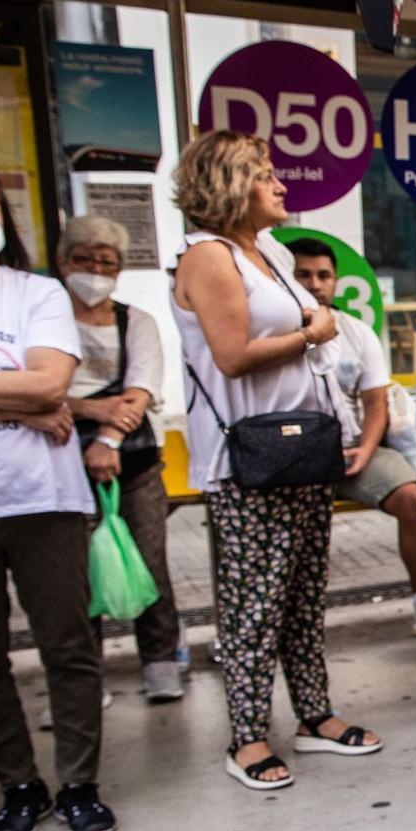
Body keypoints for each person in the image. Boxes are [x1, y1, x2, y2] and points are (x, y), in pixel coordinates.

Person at [172, 130, 382, 791]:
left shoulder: (262, 252)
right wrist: (310, 332)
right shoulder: (209, 256)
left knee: (299, 595)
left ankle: (313, 713)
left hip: (301, 445)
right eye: (264, 175)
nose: (280, 184)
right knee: (254, 603)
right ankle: (248, 734)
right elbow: (231, 354)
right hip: (250, 455)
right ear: (230, 184)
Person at [0, 156, 115, 831]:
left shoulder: (36, 294)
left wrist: (18, 398)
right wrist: (16, 401)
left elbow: (50, 388)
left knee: (67, 646)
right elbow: (33, 394)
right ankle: (19, 785)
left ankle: (79, 784)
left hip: (44, 498)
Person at [285, 236, 416, 637]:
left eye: (324, 275)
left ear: (336, 281)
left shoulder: (357, 332)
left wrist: (365, 450)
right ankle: (287, 618)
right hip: (291, 456)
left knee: (412, 496)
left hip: (354, 449)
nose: (315, 283)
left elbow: (375, 402)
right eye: (303, 274)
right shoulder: (275, 333)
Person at [59, 213, 183, 703]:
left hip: (133, 461)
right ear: (63, 261)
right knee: (72, 572)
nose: (95, 269)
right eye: (84, 259)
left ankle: (160, 661)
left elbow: (139, 393)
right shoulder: (46, 322)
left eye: (106, 262)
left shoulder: (137, 322)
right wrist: (88, 407)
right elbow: (36, 391)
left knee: (149, 561)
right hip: (61, 464)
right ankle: (83, 676)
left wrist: (105, 439)